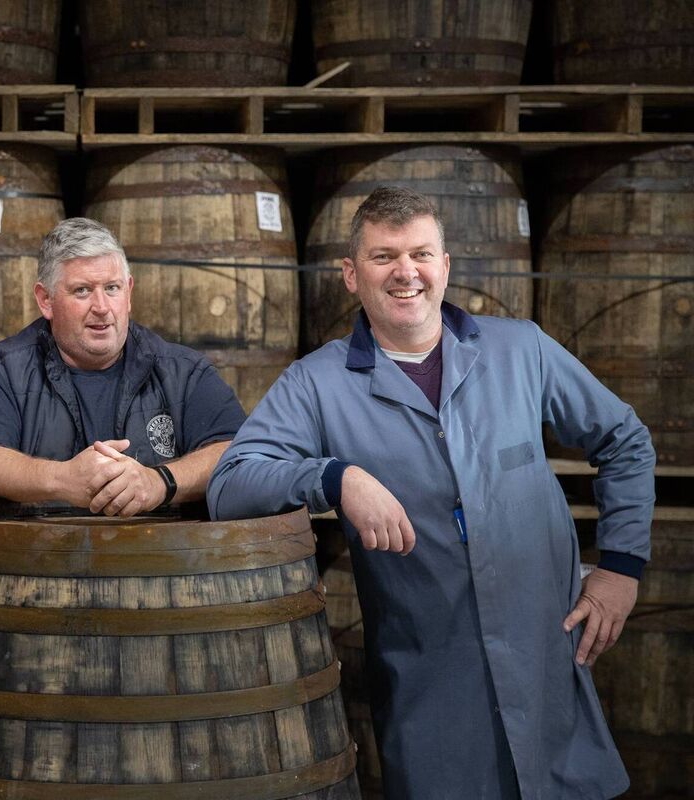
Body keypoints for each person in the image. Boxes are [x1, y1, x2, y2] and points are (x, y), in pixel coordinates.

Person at [207, 186, 655, 799]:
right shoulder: (318, 384)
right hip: (433, 695)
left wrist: (622, 568)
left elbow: (624, 439)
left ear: (445, 266)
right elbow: (232, 482)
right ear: (350, 274)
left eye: (421, 253)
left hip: (548, 677)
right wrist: (335, 477)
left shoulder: (520, 350)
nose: (405, 272)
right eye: (383, 256)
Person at [0, 217, 245, 515]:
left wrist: (160, 481)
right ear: (46, 300)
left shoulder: (183, 371)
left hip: (161, 558)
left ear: (128, 292)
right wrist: (60, 480)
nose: (101, 307)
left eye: (112, 288)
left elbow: (237, 450)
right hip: (37, 557)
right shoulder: (2, 371)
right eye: (82, 291)